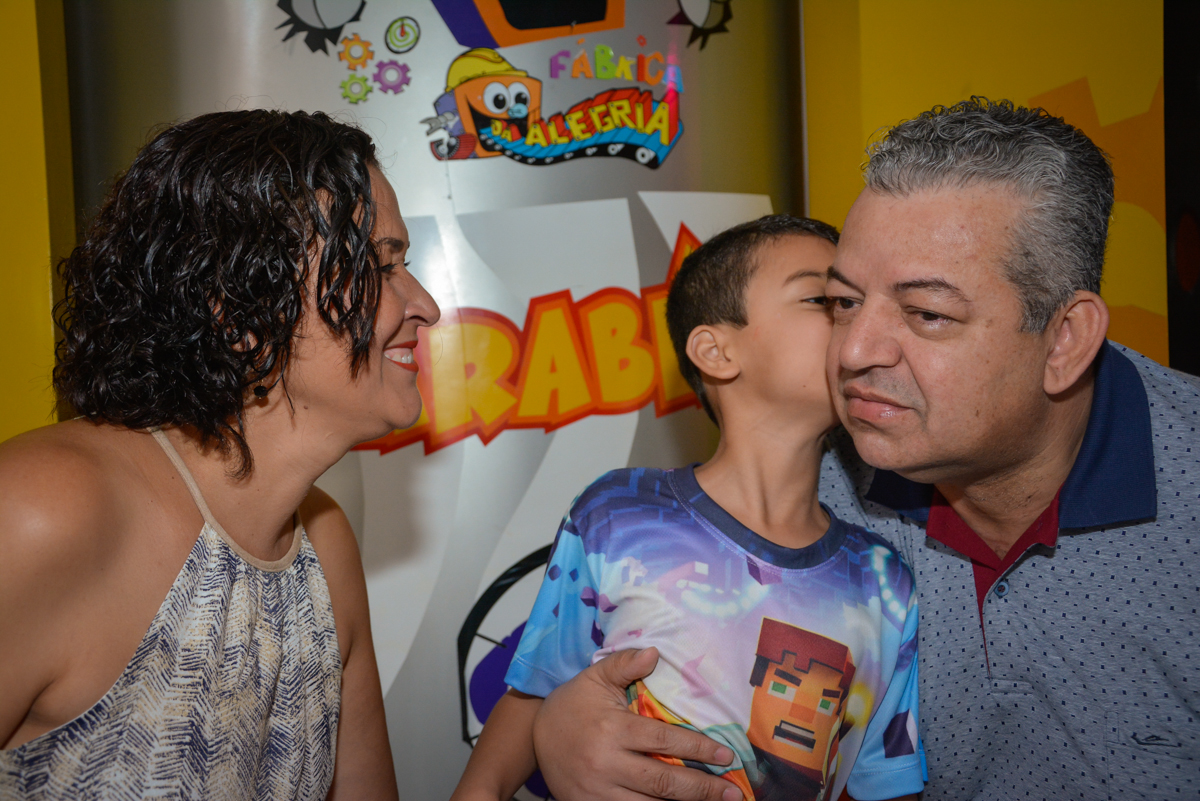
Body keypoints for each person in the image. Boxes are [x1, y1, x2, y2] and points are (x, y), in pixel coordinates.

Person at [528, 98, 1200, 801]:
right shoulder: (809, 491)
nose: (852, 352)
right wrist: (564, 728)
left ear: (1064, 339)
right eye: (842, 302)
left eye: (926, 313)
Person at [0, 110, 439, 799]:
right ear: (237, 311)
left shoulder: (324, 546)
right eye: (377, 266)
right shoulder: (42, 506)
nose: (427, 305)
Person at [451, 216, 925, 801]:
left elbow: (884, 781)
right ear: (716, 351)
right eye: (823, 299)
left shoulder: (885, 580)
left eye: (851, 303)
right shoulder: (618, 515)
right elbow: (535, 694)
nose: (855, 324)